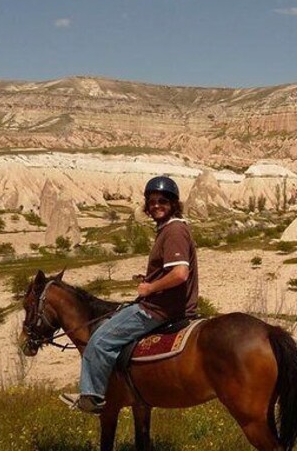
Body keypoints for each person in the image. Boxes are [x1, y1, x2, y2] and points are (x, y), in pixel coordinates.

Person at [61, 175, 199, 413]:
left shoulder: (174, 230)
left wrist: (150, 288)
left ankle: (91, 397)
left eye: (163, 201)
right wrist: (151, 279)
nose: (156, 205)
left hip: (159, 310)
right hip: (165, 304)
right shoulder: (170, 228)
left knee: (99, 342)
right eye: (152, 201)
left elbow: (179, 274)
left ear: (173, 204)